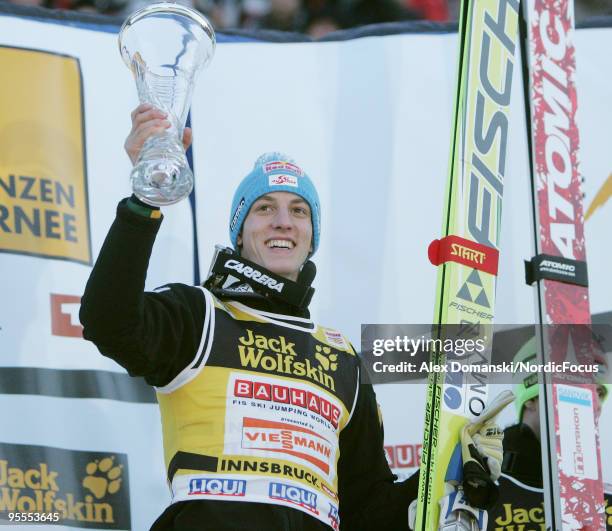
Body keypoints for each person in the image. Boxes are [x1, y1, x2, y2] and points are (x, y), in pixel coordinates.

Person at [80, 104, 501, 530]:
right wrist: (143, 202)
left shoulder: (343, 360)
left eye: (299, 211)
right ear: (239, 231)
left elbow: (367, 511)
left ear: (311, 236)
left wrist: (445, 478)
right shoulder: (198, 315)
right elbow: (107, 320)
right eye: (264, 208)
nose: (283, 222)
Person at [489, 336, 612, 530]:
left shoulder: (606, 502)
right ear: (531, 397)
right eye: (577, 387)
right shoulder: (482, 494)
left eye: (600, 392)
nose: (595, 403)